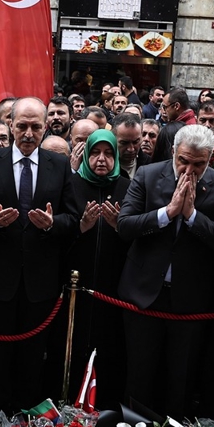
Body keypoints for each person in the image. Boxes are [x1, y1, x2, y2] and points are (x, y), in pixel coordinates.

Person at [0, 97, 80, 410]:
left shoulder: (58, 164)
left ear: (45, 127)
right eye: (22, 126)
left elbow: (73, 219)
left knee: (32, 358)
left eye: (36, 126)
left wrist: (51, 224)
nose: (29, 133)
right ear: (10, 126)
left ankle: (27, 420)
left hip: (40, 282)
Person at [117, 124, 214, 416]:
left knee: (180, 378)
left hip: (190, 300)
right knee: (140, 374)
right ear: (173, 151)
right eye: (183, 160)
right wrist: (167, 213)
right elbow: (125, 226)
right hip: (144, 294)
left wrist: (192, 216)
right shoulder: (147, 175)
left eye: (199, 164)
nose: (189, 170)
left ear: (210, 159)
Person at [68, 129, 131, 404]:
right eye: (95, 153)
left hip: (112, 286)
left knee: (110, 346)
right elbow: (60, 234)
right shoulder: (72, 185)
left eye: (108, 153)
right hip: (76, 285)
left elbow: (136, 241)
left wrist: (120, 228)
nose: (101, 160)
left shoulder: (126, 187)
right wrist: (81, 227)